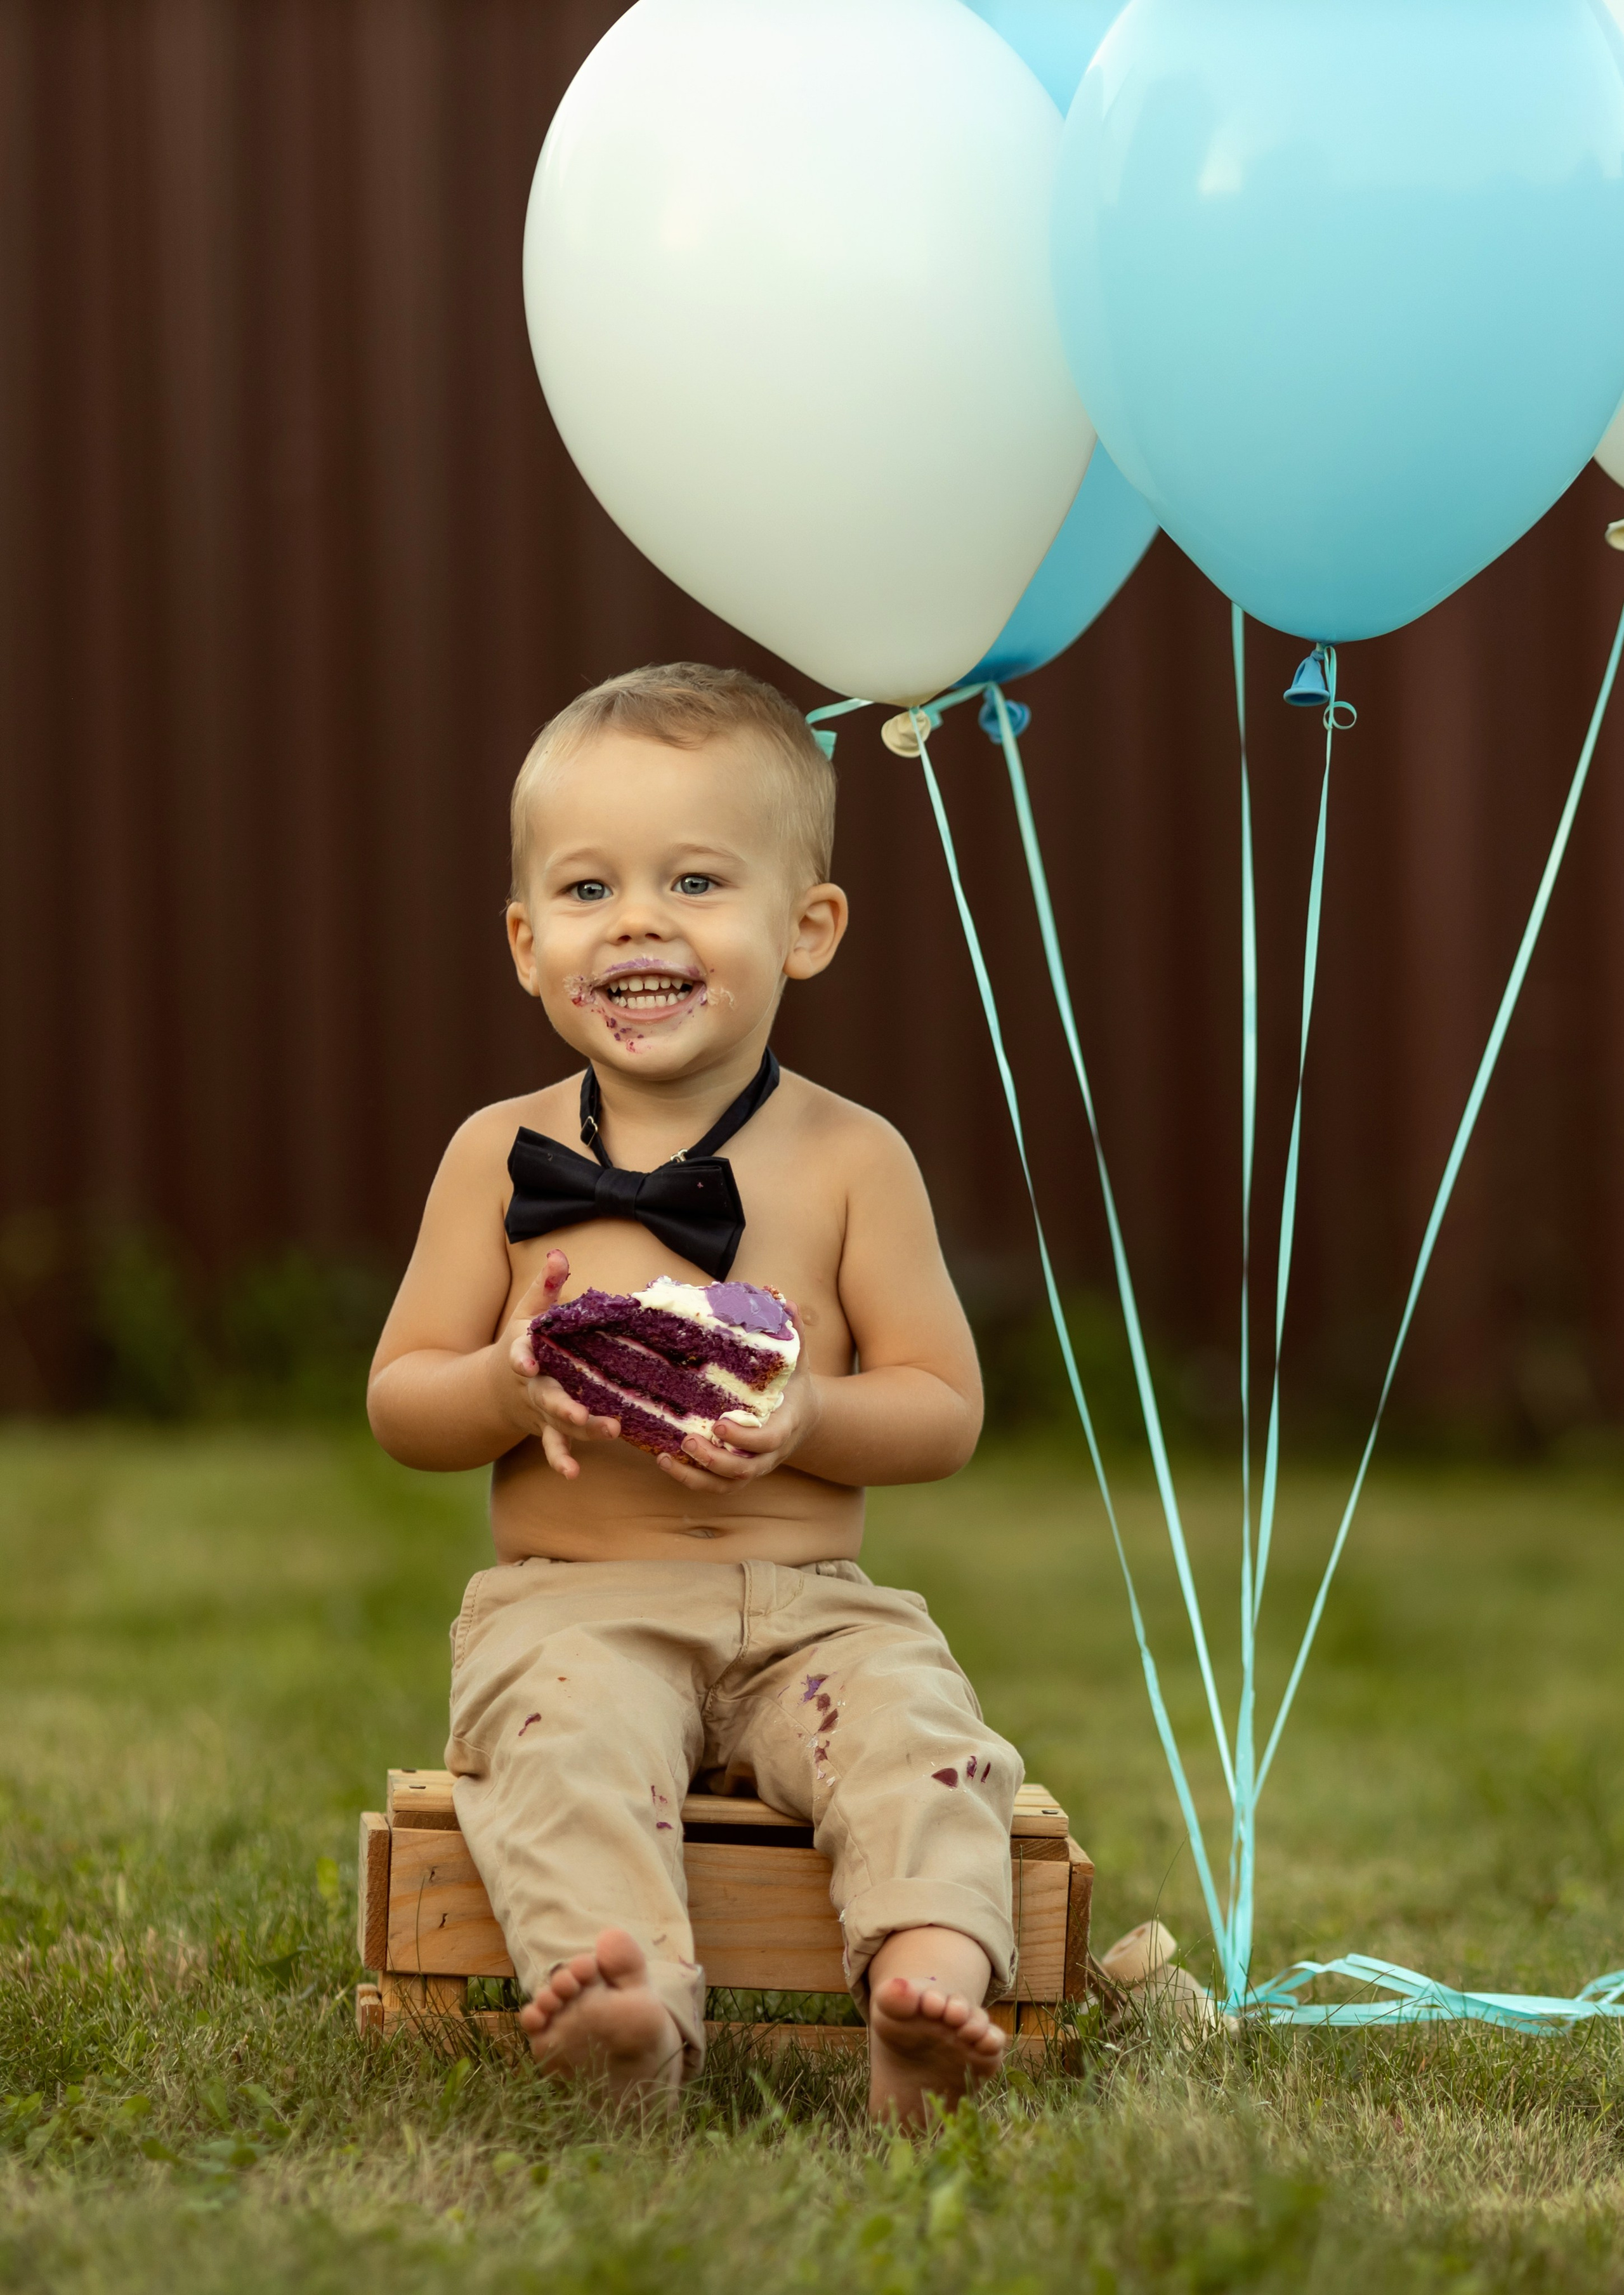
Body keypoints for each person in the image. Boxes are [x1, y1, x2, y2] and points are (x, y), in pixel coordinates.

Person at [367, 662, 1022, 2123]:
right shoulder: (498, 1155)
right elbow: (401, 1401)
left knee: (923, 1738)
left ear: (808, 927)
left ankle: (926, 1985)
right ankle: (628, 2006)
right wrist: (502, 1379)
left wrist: (809, 1417)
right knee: (566, 1747)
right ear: (527, 944)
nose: (640, 920)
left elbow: (942, 1406)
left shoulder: (855, 1160)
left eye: (696, 879)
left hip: (813, 1606)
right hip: (573, 1601)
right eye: (589, 891)